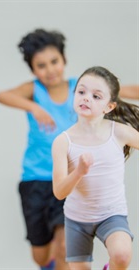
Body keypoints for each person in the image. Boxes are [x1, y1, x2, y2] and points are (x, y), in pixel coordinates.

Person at [0, 28, 75, 270]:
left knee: (65, 247)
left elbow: (121, 90)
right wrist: (34, 107)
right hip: (36, 180)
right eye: (41, 65)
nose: (50, 70)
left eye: (54, 62)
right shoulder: (34, 90)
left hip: (69, 180)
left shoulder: (79, 88)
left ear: (64, 60)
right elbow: (3, 96)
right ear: (33, 70)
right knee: (41, 256)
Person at [51, 66, 139, 270]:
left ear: (109, 106)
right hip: (76, 220)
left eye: (96, 96)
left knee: (123, 255)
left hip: (112, 214)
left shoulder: (119, 133)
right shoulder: (63, 142)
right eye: (81, 92)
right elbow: (59, 191)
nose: (86, 98)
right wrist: (79, 171)